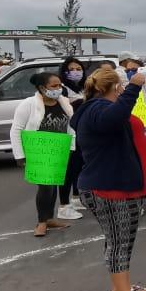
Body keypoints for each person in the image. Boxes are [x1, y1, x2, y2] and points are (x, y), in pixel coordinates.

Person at [72, 67, 146, 291]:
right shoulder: (96, 110)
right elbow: (115, 117)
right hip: (108, 188)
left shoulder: (101, 109)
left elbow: (127, 129)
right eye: (121, 85)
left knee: (121, 241)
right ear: (111, 88)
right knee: (119, 244)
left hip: (120, 185)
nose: (124, 89)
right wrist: (134, 87)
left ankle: (119, 288)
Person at [10, 72, 76, 238]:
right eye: (54, 86)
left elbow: (71, 126)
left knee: (54, 185)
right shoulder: (28, 104)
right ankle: (42, 222)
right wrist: (19, 155)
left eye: (60, 85)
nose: (58, 89)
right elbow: (16, 129)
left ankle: (50, 218)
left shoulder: (64, 102)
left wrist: (71, 147)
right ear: (41, 88)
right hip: (39, 151)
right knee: (45, 187)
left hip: (59, 151)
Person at [55, 57, 88, 220]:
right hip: (67, 133)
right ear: (65, 71)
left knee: (78, 167)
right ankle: (63, 205)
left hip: (81, 132)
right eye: (72, 69)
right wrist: (80, 102)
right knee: (67, 170)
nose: (76, 72)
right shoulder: (62, 88)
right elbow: (63, 109)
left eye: (78, 68)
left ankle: (75, 198)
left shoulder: (83, 86)